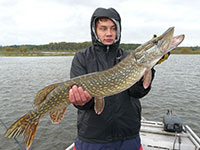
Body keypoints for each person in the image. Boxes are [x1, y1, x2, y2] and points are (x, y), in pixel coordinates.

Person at [69, 7, 155, 150]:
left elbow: (137, 92)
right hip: (92, 137)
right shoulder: (82, 57)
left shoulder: (129, 58)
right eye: (103, 28)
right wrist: (81, 102)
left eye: (113, 28)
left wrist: (150, 67)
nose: (109, 33)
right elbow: (82, 105)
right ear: (94, 30)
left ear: (119, 30)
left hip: (128, 135)